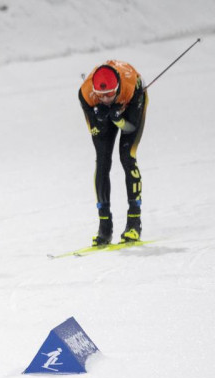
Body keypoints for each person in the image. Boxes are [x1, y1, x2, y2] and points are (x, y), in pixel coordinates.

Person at [79, 60, 148, 245]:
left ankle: (134, 222)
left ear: (117, 88)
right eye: (102, 95)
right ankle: (105, 226)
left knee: (127, 156)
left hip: (130, 104)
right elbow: (96, 132)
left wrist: (118, 119)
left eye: (110, 94)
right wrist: (100, 120)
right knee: (102, 161)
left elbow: (130, 127)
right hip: (109, 109)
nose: (106, 99)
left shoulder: (130, 87)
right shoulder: (86, 94)